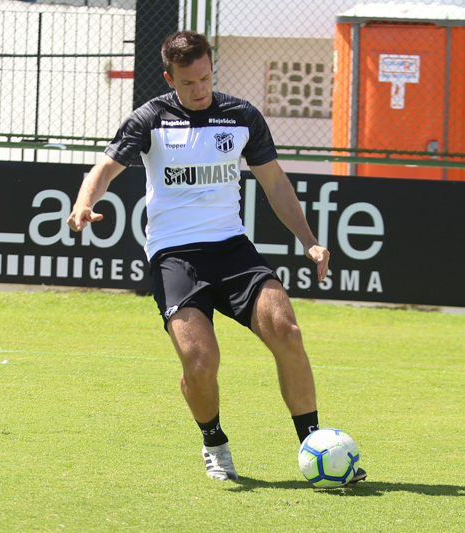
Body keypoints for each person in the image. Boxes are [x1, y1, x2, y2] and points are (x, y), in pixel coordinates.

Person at [67, 30, 365, 484]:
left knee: (286, 330)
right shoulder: (150, 119)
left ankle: (314, 444)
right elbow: (105, 167)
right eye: (189, 83)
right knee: (201, 361)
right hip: (175, 256)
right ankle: (214, 442)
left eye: (206, 78)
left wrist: (309, 240)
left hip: (232, 249)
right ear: (170, 78)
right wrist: (83, 202)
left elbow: (276, 184)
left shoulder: (241, 115)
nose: (200, 89)